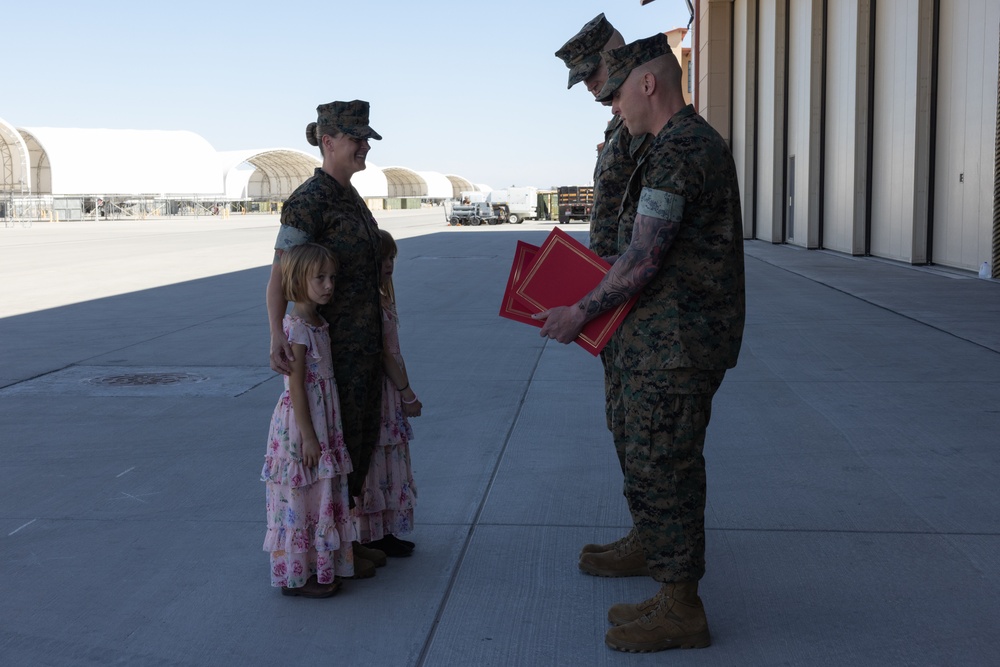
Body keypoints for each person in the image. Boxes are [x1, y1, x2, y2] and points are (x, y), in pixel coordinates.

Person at [536, 33, 746, 653]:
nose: (614, 107)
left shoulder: (682, 149)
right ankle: (653, 547)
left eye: (618, 94)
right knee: (641, 446)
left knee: (668, 463)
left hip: (676, 342)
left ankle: (681, 605)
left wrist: (579, 310)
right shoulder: (663, 146)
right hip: (650, 336)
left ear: (648, 84)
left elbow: (643, 256)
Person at [266, 99, 387, 577]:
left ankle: (349, 542)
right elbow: (280, 274)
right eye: (356, 138)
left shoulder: (351, 195)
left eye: (366, 138)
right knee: (331, 449)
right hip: (326, 352)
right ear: (327, 141)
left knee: (357, 439)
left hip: (361, 346)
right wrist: (276, 333)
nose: (364, 146)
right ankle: (323, 552)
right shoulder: (310, 200)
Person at [555, 12, 652, 578]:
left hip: (635, 303)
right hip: (618, 307)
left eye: (593, 75)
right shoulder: (622, 125)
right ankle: (646, 533)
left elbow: (646, 241)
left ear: (617, 55)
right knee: (623, 428)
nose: (592, 89)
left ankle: (662, 551)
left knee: (649, 441)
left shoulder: (646, 123)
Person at [261, 243, 353, 598]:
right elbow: (296, 386)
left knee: (319, 494)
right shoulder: (296, 327)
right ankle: (296, 577)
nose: (329, 285)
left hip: (321, 416)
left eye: (332, 277)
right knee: (301, 494)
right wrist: (310, 436)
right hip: (303, 423)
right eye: (320, 278)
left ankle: (317, 566)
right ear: (298, 279)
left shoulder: (317, 321)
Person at [353, 229, 421, 557]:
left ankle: (385, 529)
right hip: (381, 389)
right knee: (378, 460)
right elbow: (383, 353)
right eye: (382, 258)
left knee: (389, 460)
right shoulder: (367, 301)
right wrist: (407, 392)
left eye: (392, 256)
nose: (389, 263)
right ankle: (371, 532)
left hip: (390, 388)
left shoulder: (382, 295)